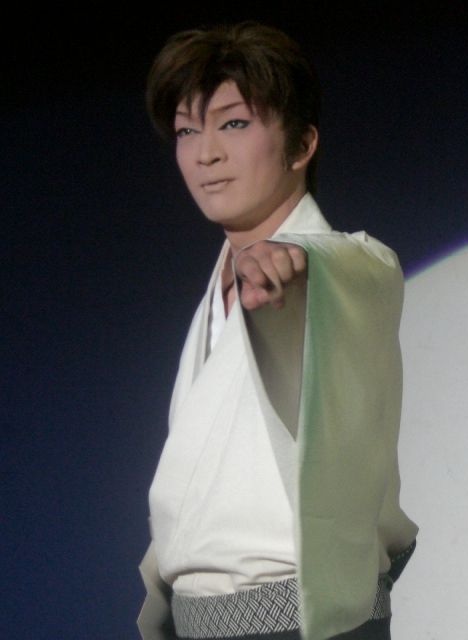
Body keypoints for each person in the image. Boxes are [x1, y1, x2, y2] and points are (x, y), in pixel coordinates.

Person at [138, 22, 418, 640]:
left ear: (301, 144)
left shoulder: (348, 267)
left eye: (234, 124)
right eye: (187, 131)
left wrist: (298, 262)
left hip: (305, 622)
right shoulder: (219, 287)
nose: (205, 153)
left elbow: (351, 269)